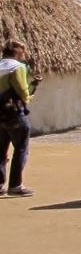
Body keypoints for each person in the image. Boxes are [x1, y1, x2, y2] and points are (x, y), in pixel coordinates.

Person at [0, 39, 38, 198]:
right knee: (21, 148)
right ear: (16, 51)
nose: (24, 54)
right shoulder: (18, 67)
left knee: (0, 151)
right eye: (22, 51)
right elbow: (22, 90)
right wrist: (30, 95)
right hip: (15, 113)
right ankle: (15, 185)